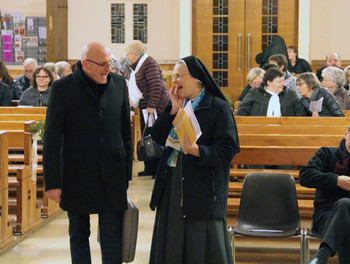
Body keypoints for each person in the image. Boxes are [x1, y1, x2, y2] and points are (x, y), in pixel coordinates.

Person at [43, 42, 132, 264]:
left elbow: (125, 134)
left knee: (113, 234)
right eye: (102, 64)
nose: (107, 69)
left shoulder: (119, 84)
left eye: (110, 63)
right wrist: (52, 182)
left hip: (112, 172)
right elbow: (52, 138)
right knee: (79, 234)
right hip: (77, 174)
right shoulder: (63, 88)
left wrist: (126, 173)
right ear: (85, 64)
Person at [149, 55, 240, 264]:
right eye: (173, 76)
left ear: (196, 79)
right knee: (172, 239)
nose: (174, 81)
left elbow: (228, 150)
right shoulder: (178, 104)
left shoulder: (218, 107)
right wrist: (172, 109)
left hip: (202, 189)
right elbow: (158, 138)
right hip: (173, 183)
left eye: (179, 75)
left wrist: (199, 151)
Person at [300, 126, 350, 264]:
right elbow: (305, 176)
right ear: (346, 134)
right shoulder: (327, 153)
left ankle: (321, 257)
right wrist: (337, 180)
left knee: (346, 206)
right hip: (327, 215)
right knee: (345, 209)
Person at [126, 40, 170, 177]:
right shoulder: (141, 64)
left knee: (156, 138)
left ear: (134, 54)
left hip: (156, 108)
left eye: (128, 54)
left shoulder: (149, 64)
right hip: (148, 108)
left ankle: (157, 170)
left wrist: (151, 105)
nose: (127, 56)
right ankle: (149, 167)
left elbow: (156, 86)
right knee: (147, 137)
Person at [237, 68, 305, 116]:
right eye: (279, 82)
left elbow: (300, 114)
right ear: (269, 82)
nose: (283, 84)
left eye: (283, 81)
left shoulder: (290, 95)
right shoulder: (254, 93)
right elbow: (242, 113)